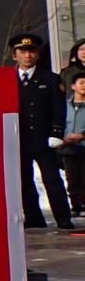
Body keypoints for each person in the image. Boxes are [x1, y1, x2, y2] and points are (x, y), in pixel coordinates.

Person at [12, 32, 74, 231]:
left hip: (43, 138)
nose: (27, 56)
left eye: (31, 51)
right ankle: (33, 217)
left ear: (37, 54)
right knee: (24, 180)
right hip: (18, 139)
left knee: (52, 179)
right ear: (15, 55)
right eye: (22, 52)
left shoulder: (50, 78)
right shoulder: (7, 79)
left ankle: (63, 217)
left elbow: (58, 108)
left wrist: (56, 132)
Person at [62, 75, 85, 218]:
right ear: (73, 86)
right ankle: (75, 205)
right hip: (68, 147)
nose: (84, 85)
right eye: (81, 82)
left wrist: (82, 135)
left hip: (83, 146)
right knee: (72, 178)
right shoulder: (64, 105)